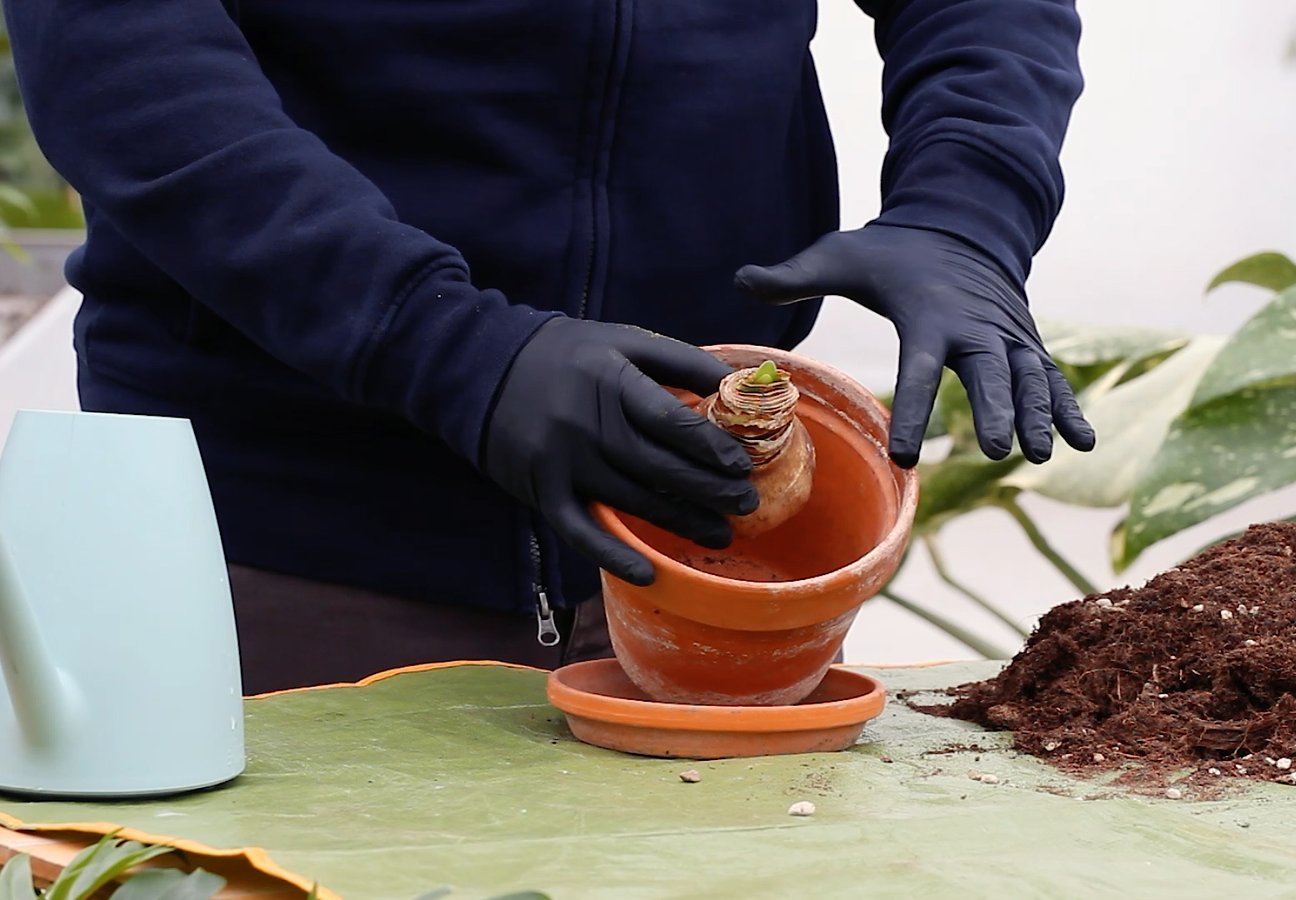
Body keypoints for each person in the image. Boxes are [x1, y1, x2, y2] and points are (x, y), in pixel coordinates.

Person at [2, 0, 1095, 694]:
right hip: (283, 549)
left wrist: (963, 207)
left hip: (700, 539)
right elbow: (126, 64)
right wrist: (453, 352)